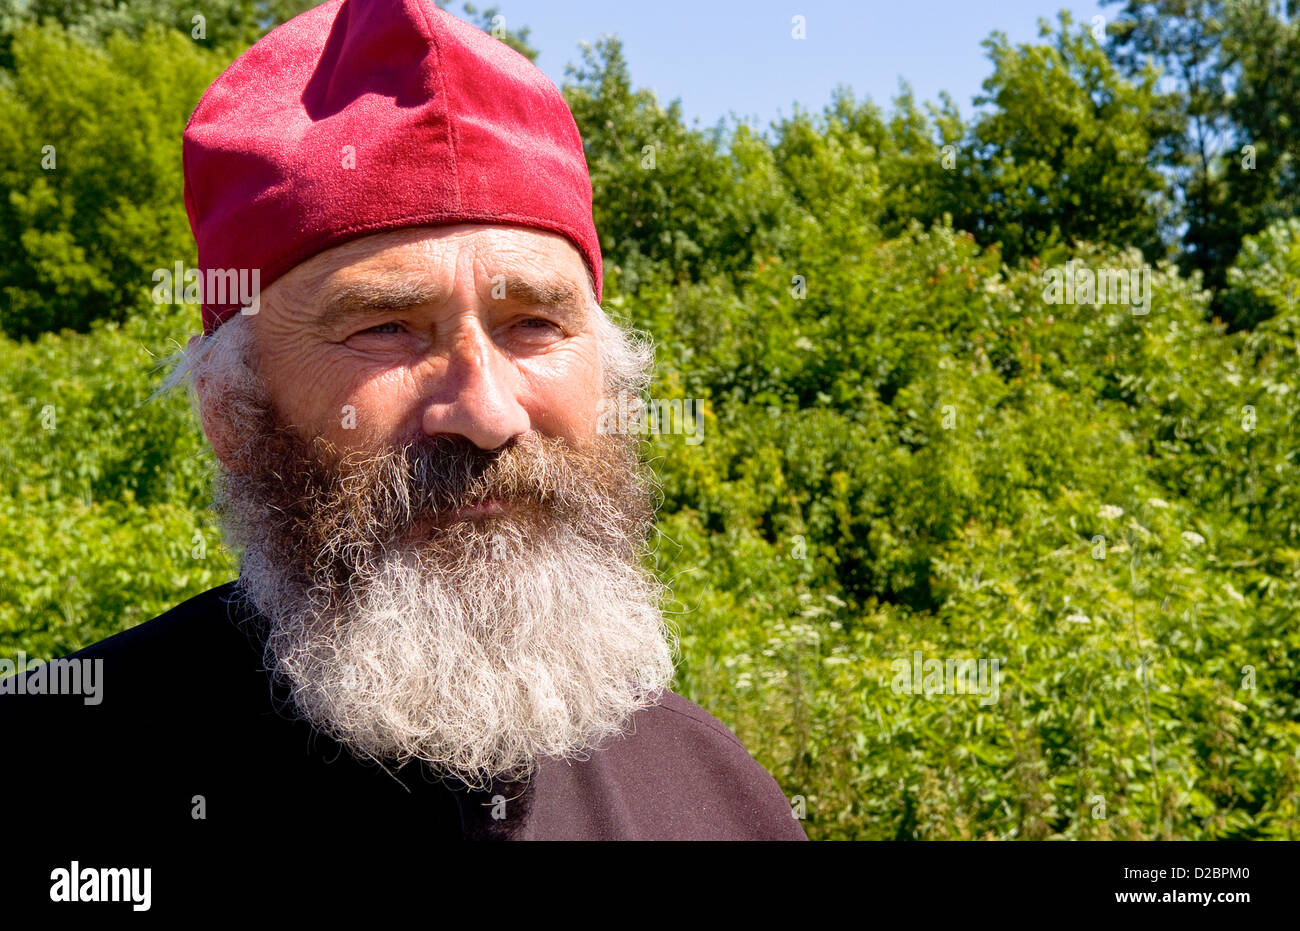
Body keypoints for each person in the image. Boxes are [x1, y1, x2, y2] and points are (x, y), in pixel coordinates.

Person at [0, 0, 807, 842]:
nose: (487, 414)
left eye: (535, 323)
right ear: (230, 412)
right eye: (385, 328)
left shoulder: (719, 801)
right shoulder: (47, 780)